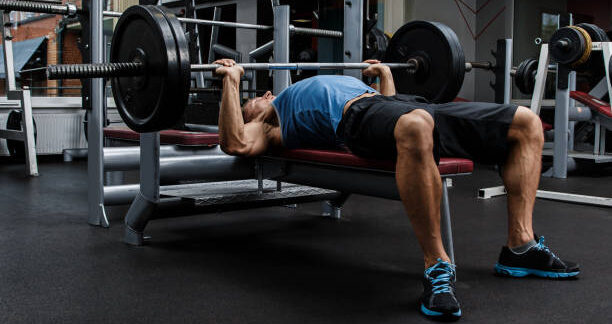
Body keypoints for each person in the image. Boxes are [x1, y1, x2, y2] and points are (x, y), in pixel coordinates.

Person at [213, 58, 579, 321]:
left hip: (397, 105)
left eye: (256, 95)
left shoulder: (285, 96)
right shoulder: (270, 125)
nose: (259, 96)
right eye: (249, 103)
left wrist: (385, 76)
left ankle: (520, 245)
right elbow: (235, 144)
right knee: (416, 127)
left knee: (526, 123)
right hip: (354, 119)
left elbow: (388, 116)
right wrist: (231, 81)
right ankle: (437, 266)